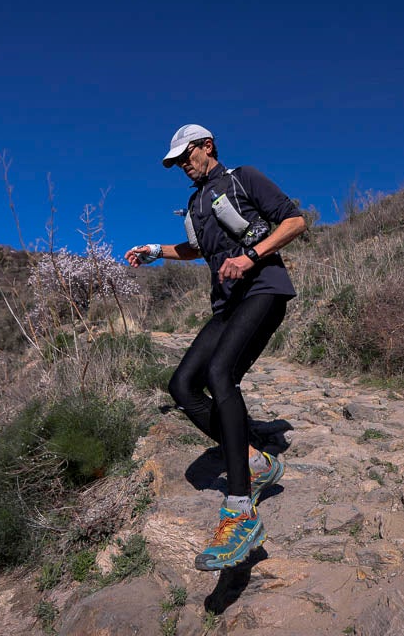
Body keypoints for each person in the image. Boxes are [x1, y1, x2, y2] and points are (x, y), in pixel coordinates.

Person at [126, 124, 306, 571]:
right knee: (182, 385)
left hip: (263, 288)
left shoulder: (243, 177)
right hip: (226, 305)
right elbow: (195, 249)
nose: (183, 165)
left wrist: (252, 256)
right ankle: (250, 458)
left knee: (220, 375)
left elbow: (295, 220)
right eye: (176, 162)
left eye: (187, 155)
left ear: (207, 146)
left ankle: (240, 508)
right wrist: (154, 250)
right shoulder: (195, 202)